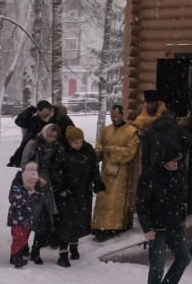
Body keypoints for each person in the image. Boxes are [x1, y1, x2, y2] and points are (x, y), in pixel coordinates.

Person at [137, 144, 191, 284]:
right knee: (157, 267)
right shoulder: (149, 177)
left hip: (174, 225)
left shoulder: (176, 174)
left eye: (178, 161)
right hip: (157, 228)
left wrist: (181, 216)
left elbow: (178, 197)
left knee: (184, 258)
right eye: (173, 161)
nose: (176, 164)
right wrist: (147, 228)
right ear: (163, 160)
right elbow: (141, 204)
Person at [49, 126, 104, 267]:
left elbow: (93, 167)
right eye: (75, 142)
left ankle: (74, 246)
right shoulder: (62, 150)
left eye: (80, 141)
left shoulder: (88, 149)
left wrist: (97, 183)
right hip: (67, 192)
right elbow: (54, 171)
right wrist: (60, 188)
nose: (78, 145)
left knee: (80, 220)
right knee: (66, 222)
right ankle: (63, 253)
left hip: (83, 191)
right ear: (69, 142)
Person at [91, 104, 140, 240]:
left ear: (122, 114)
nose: (114, 118)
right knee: (103, 198)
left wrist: (113, 150)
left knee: (115, 200)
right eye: (111, 116)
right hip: (106, 171)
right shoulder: (107, 130)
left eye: (116, 116)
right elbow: (99, 143)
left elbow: (131, 151)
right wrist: (98, 151)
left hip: (121, 173)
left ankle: (113, 226)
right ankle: (99, 225)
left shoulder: (131, 132)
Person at [21, 122, 63, 263]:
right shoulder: (33, 144)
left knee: (44, 219)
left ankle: (36, 250)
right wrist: (34, 178)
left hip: (48, 185)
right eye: (50, 135)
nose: (52, 138)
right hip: (31, 184)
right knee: (28, 216)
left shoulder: (56, 147)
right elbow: (24, 165)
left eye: (55, 136)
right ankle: (22, 246)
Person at [7, 161, 49, 267]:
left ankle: (17, 254)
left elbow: (38, 197)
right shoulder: (17, 188)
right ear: (24, 180)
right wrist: (27, 195)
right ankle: (15, 256)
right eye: (29, 182)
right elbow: (14, 200)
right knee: (17, 237)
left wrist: (41, 187)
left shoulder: (32, 189)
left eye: (34, 183)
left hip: (27, 218)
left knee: (24, 238)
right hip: (16, 218)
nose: (31, 185)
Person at [9, 100, 54, 167]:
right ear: (38, 111)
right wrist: (32, 109)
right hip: (28, 153)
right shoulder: (35, 121)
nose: (46, 116)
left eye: (48, 114)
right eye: (44, 114)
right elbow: (19, 121)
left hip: (44, 154)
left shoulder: (54, 120)